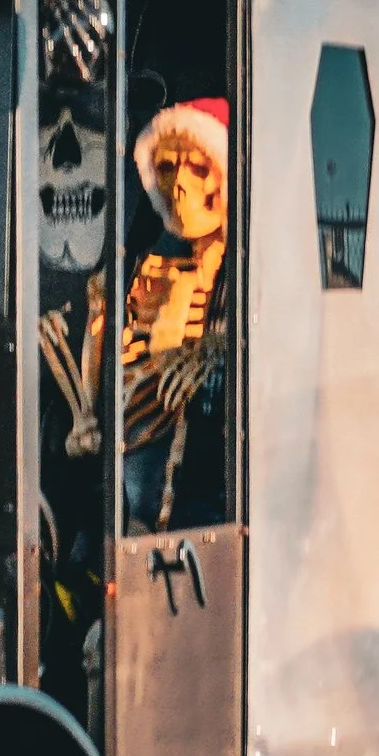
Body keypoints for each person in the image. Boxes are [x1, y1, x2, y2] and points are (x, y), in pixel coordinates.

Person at [92, 96, 230, 532]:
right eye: (167, 169)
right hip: (127, 459)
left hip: (200, 486)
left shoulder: (242, 279)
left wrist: (222, 343)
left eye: (198, 168)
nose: (179, 186)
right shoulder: (145, 265)